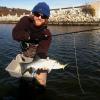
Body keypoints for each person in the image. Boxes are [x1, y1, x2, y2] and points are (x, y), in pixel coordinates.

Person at [12, 2, 52, 88]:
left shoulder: (47, 34)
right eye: (37, 14)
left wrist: (41, 62)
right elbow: (15, 34)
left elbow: (42, 50)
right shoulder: (25, 20)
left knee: (41, 83)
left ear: (46, 19)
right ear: (33, 14)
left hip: (39, 57)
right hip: (26, 54)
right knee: (25, 82)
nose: (40, 17)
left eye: (43, 16)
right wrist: (28, 36)